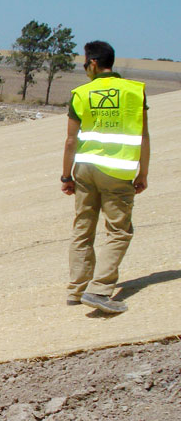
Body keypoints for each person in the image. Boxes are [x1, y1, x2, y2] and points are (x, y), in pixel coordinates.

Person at [61, 40, 150, 314]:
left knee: (83, 228)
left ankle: (77, 289)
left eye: (85, 63)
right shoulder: (135, 92)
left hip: (86, 169)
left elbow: (70, 141)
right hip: (117, 170)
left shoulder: (81, 94)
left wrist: (66, 176)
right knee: (119, 231)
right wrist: (143, 173)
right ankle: (99, 289)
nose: (84, 67)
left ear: (94, 63)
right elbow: (143, 136)